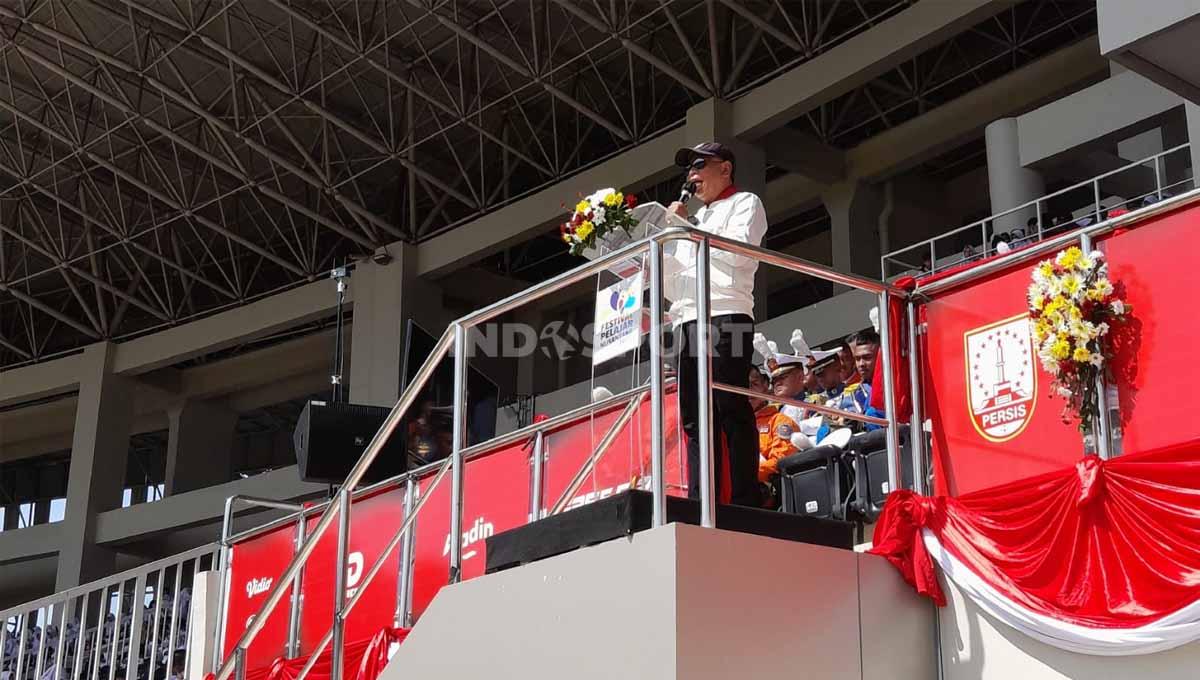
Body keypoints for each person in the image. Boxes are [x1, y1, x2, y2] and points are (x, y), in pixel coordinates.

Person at [665, 141, 768, 507]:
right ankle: (700, 501)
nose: (691, 177)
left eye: (698, 166)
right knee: (694, 418)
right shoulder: (691, 220)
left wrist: (686, 229)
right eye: (688, 170)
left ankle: (744, 501)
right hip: (688, 319)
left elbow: (739, 255)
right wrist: (658, 245)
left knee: (731, 405)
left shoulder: (746, 203)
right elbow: (672, 282)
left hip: (729, 312)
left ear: (725, 169)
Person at [748, 366, 798, 508]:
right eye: (743, 386)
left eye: (754, 384)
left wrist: (747, 472)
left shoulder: (780, 421)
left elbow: (781, 461)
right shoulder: (730, 424)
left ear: (765, 386)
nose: (748, 390)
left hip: (764, 494)